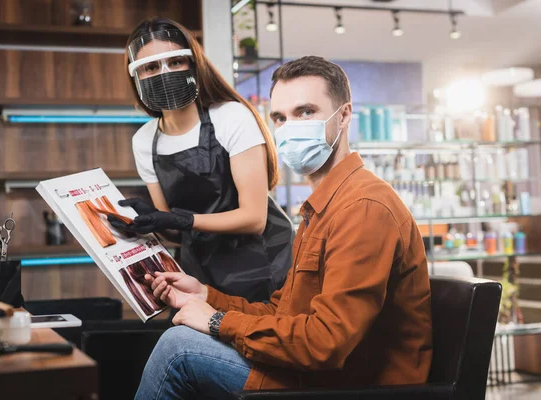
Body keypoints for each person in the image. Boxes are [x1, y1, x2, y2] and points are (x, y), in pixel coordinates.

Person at [135, 56, 433, 399]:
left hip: (349, 387)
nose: (290, 127)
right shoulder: (321, 209)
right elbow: (284, 313)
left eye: (305, 112)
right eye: (280, 117)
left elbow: (325, 343)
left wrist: (217, 322)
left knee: (180, 348)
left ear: (345, 115)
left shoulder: (364, 208)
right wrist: (205, 296)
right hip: (316, 376)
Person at [110, 17, 294, 302]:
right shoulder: (144, 141)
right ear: (136, 77)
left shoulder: (230, 117)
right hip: (198, 275)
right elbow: (175, 231)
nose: (164, 73)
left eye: (174, 62)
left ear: (192, 63)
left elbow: (254, 218)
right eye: (150, 67)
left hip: (261, 270)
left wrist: (181, 219)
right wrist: (148, 222)